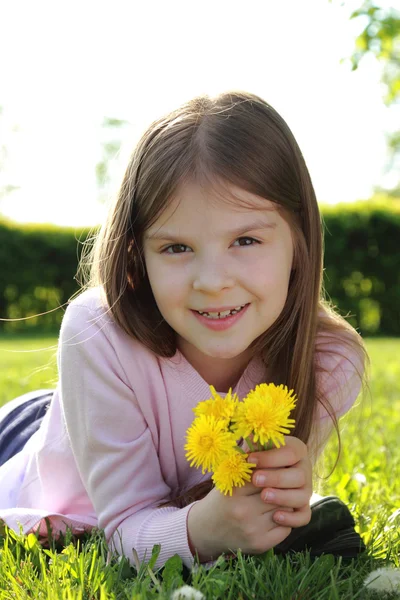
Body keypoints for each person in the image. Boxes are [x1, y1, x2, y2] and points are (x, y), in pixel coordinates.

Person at [0, 91, 367, 569]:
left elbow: (247, 507)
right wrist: (201, 531)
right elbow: (124, 529)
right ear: (137, 254)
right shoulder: (97, 333)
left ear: (299, 241)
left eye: (246, 240)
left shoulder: (330, 361)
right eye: (176, 248)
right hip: (28, 436)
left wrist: (280, 491)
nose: (212, 281)